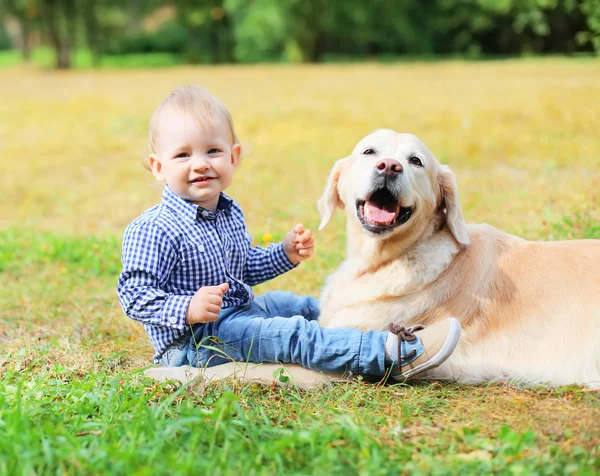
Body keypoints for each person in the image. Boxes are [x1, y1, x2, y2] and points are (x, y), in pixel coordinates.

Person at [117, 85, 461, 381]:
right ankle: (389, 355)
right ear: (159, 167)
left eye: (213, 151)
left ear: (233, 157)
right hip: (195, 341)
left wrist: (283, 253)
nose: (200, 163)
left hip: (237, 313)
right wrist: (187, 307)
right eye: (182, 155)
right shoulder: (153, 229)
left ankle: (367, 324)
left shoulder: (226, 211)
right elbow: (133, 296)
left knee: (295, 305)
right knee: (293, 336)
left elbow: (244, 268)